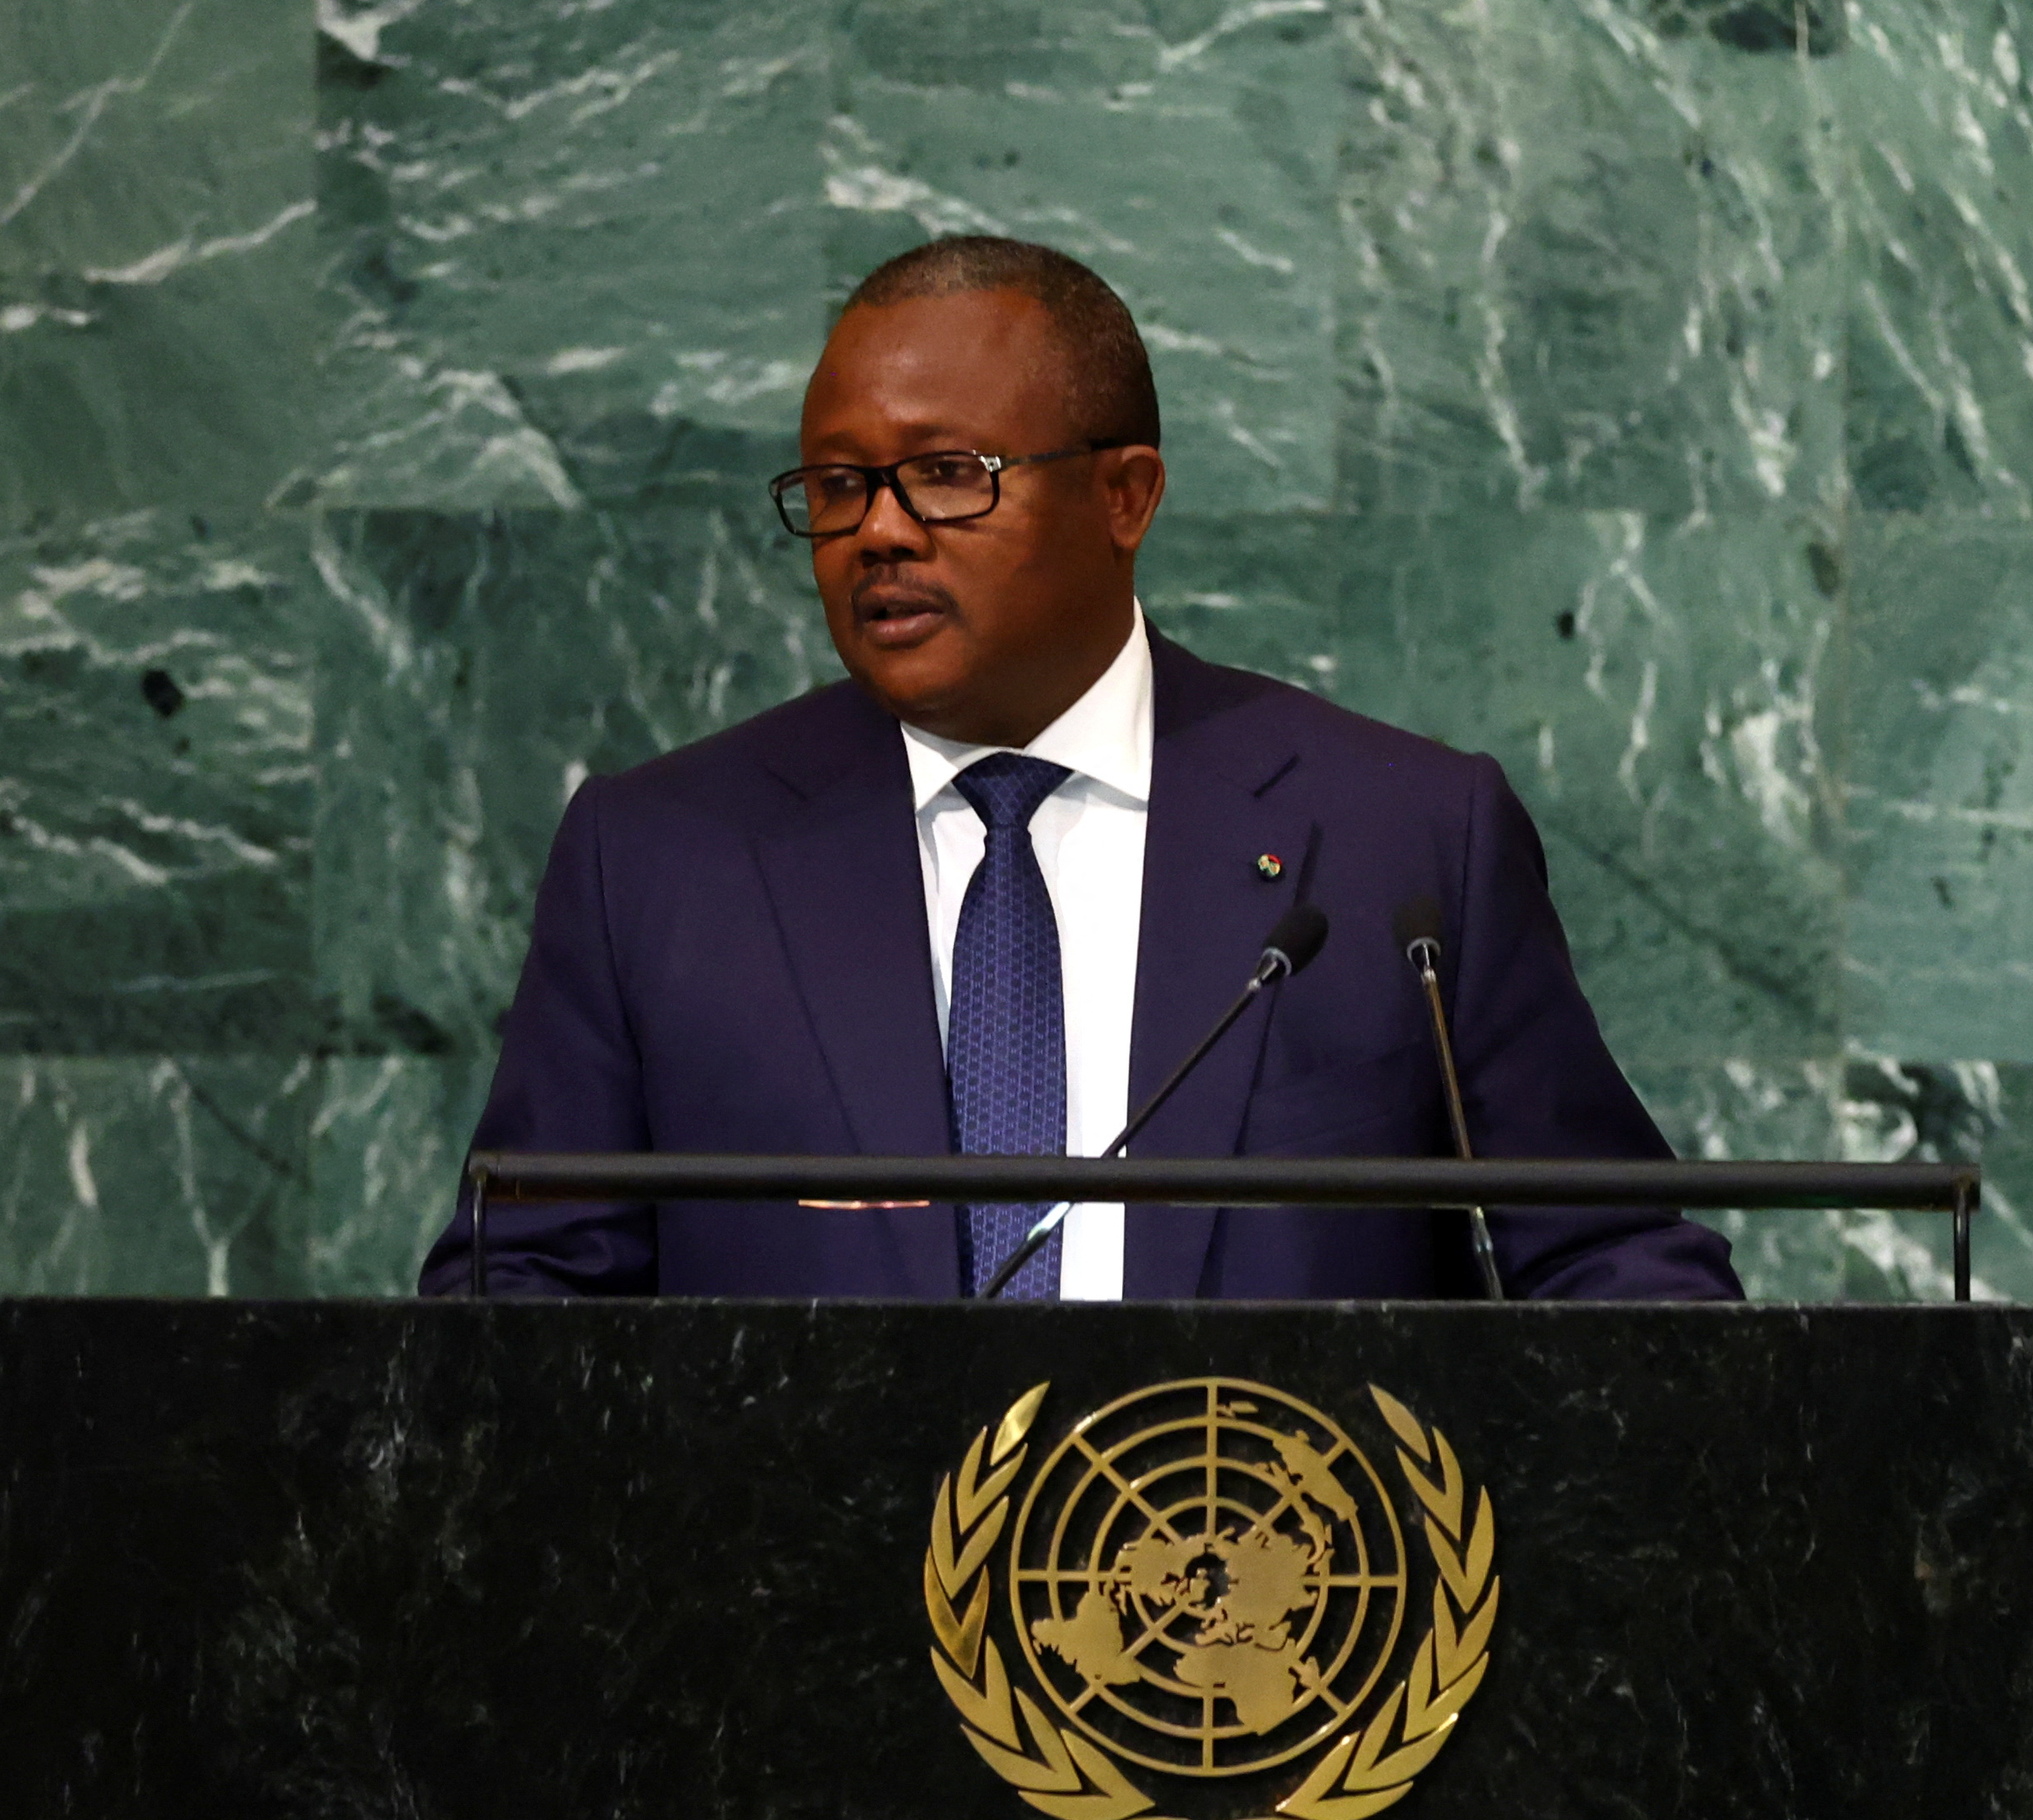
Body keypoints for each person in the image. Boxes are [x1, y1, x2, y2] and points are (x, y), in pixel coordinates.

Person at [419, 237, 1738, 1302]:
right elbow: (520, 1298)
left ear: (1125, 495)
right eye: (834, 486)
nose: (877, 532)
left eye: (947, 475)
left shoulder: (1401, 837)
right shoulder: (659, 857)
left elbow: (1612, 1266)